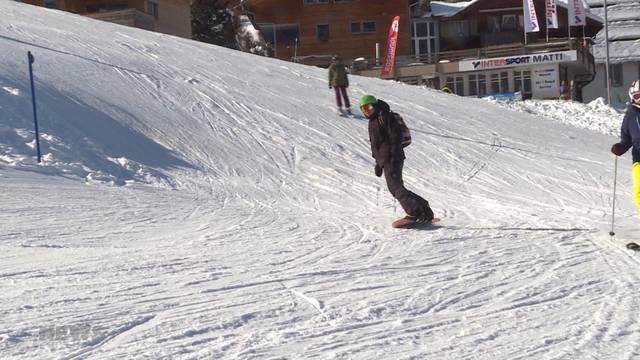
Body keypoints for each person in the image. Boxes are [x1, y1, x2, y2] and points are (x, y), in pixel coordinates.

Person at [358, 95, 434, 222]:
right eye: (363, 109)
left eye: (369, 107)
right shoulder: (373, 121)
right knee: (397, 188)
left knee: (396, 188)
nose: (367, 111)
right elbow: (377, 145)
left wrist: (392, 156)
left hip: (393, 157)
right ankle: (423, 208)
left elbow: (394, 138)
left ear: (375, 105)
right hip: (386, 159)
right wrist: (378, 163)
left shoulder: (385, 117)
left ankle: (415, 212)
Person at [611, 80, 640, 211]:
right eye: (638, 96)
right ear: (632, 97)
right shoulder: (630, 117)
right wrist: (621, 147)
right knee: (639, 191)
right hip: (639, 159)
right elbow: (626, 140)